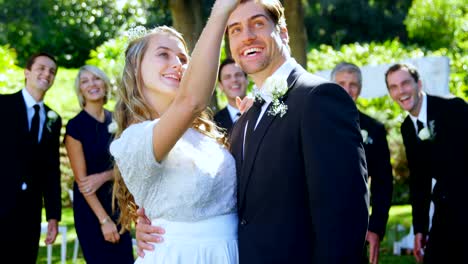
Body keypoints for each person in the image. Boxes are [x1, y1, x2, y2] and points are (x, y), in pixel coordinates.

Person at [136, 1, 369, 263]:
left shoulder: (319, 98)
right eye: (235, 30)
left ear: (283, 32)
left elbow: (344, 216)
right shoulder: (245, 119)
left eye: (258, 24)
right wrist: (162, 224)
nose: (246, 36)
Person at [110, 0, 240, 263]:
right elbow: (191, 101)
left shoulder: (203, 135)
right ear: (136, 69)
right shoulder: (134, 140)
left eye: (183, 58)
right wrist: (220, 12)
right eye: (163, 54)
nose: (178, 64)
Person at [385, 63, 468, 264]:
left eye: (405, 83)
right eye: (393, 87)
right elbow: (419, 180)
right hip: (444, 211)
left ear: (419, 83)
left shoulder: (453, 108)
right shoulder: (407, 128)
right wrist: (420, 229)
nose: (401, 91)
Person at [64, 65, 134, 263]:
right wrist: (104, 221)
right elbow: (84, 183)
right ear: (80, 90)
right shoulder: (75, 127)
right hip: (92, 211)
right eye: (85, 81)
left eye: (96, 79)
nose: (92, 84)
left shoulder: (118, 121)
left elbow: (128, 166)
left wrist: (105, 176)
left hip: (118, 206)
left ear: (104, 84)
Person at [0, 52, 62, 263]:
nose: (47, 74)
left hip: (30, 212)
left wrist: (53, 216)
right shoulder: (3, 105)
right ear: (27, 72)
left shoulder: (54, 119)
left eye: (52, 71)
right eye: (42, 68)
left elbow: (52, 170)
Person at [331, 62, 393, 264]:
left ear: (360, 89)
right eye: (341, 84)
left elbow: (383, 182)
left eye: (353, 85)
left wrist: (375, 226)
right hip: (314, 222)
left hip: (356, 223)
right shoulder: (311, 121)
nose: (347, 90)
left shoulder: (373, 128)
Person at [214, 57, 248, 133]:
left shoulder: (264, 111)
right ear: (220, 85)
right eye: (227, 77)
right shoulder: (214, 123)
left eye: (238, 75)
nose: (234, 80)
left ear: (246, 79)